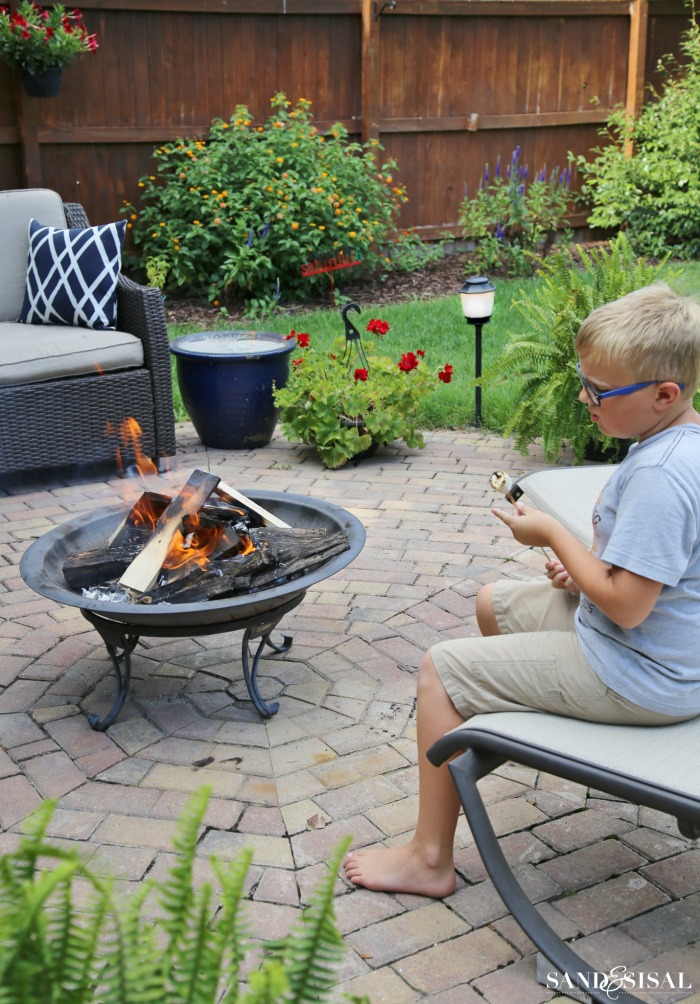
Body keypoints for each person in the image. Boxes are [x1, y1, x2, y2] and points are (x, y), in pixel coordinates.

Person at [344, 283, 700, 899]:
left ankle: (429, 858)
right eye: (583, 381)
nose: (585, 398)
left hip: (640, 673)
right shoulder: (676, 444)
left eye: (600, 390)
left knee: (441, 670)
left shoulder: (660, 478)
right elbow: (648, 577)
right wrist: (585, 570)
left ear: (664, 395)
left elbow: (628, 605)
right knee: (492, 602)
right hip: (653, 647)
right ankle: (506, 732)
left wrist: (557, 538)